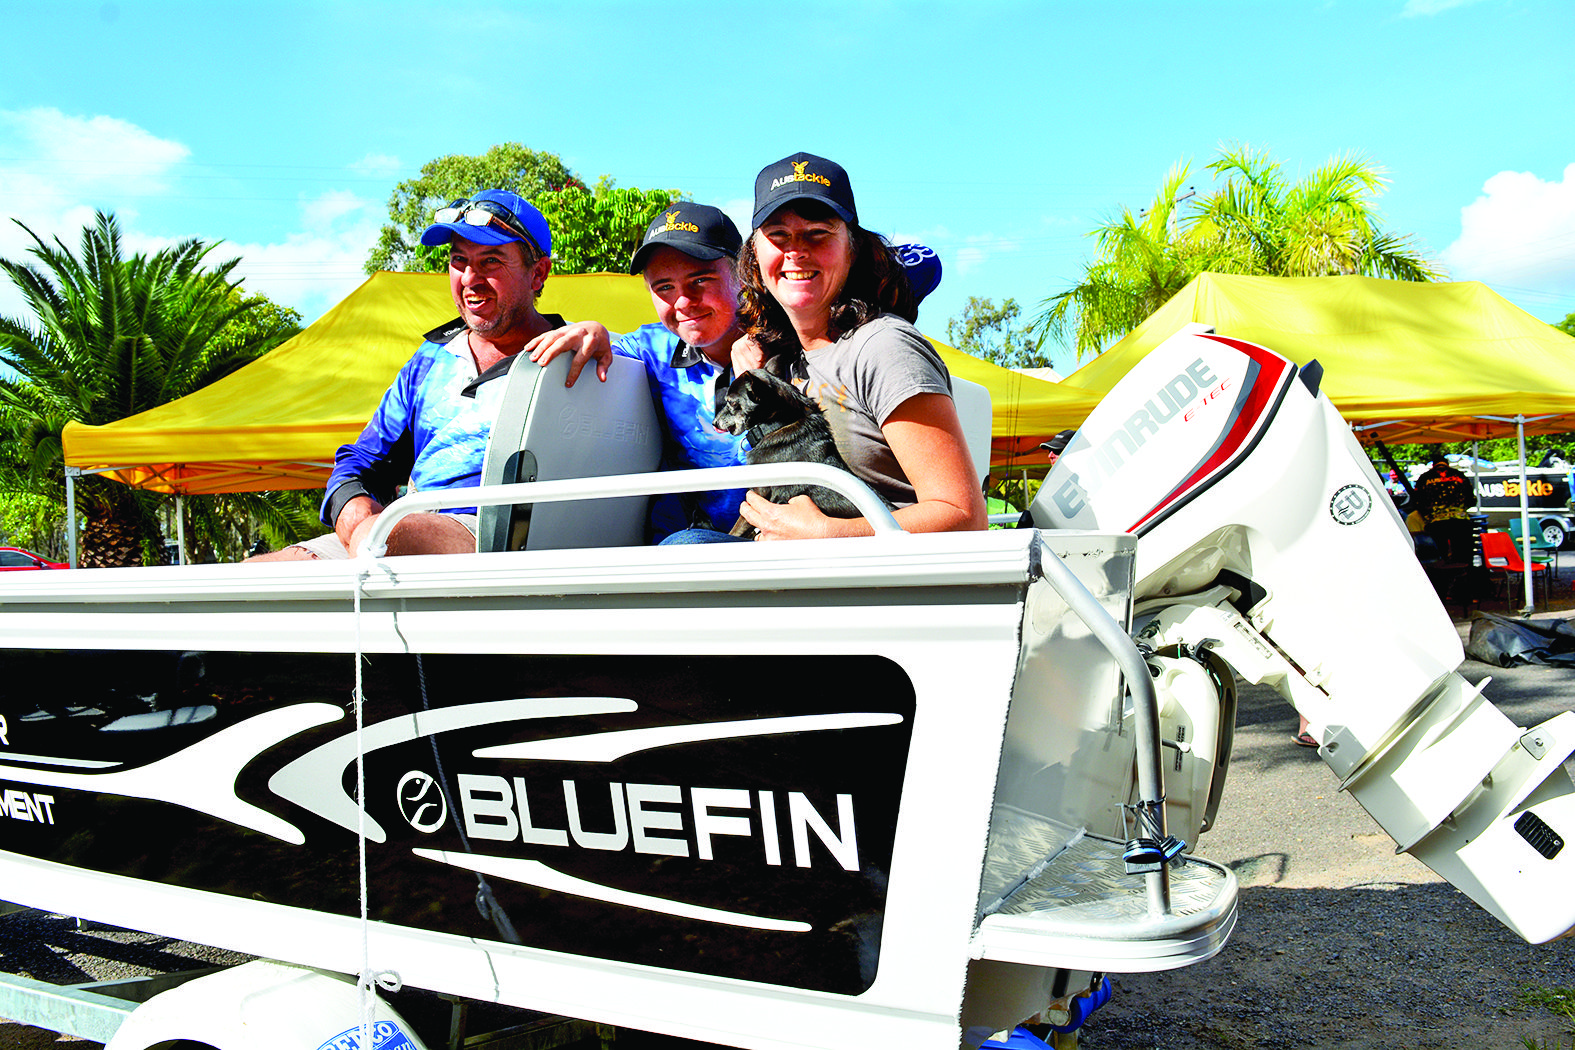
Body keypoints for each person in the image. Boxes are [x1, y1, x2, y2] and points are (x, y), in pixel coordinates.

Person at [250, 190, 609, 561]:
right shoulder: (431, 358)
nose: (470, 278)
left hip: (502, 539)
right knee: (252, 578)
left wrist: (597, 331)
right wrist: (352, 507)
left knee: (385, 535)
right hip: (397, 531)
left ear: (538, 274)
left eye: (491, 260)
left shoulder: (578, 354)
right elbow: (362, 460)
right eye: (458, 260)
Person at [717, 152, 986, 540]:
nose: (796, 250)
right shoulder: (784, 360)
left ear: (853, 248)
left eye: (818, 233)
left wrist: (828, 533)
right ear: (754, 254)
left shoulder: (883, 348)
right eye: (778, 235)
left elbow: (962, 516)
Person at [1414, 449, 1475, 564]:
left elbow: (1417, 501)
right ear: (1447, 463)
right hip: (1460, 522)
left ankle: (1443, 579)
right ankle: (1465, 578)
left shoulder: (1424, 478)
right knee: (1463, 556)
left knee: (1440, 557)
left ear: (1433, 465)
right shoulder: (1460, 475)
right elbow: (1471, 500)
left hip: (1436, 523)